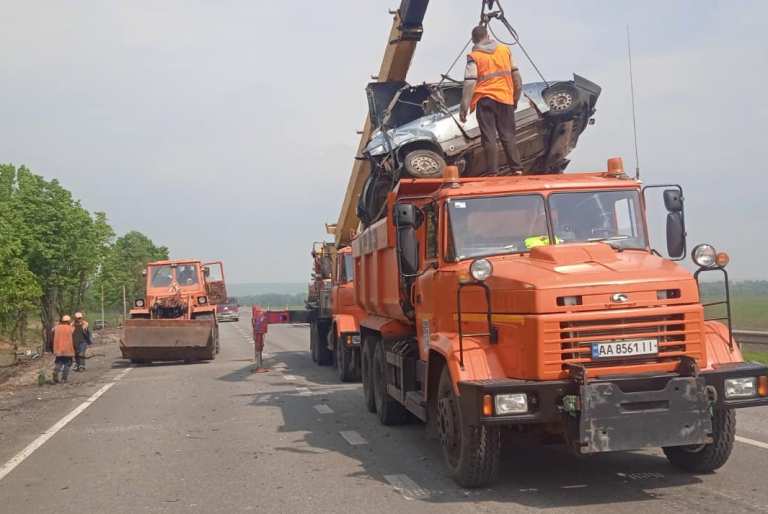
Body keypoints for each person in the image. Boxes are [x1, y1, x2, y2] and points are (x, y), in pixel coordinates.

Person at [460, 24, 523, 175]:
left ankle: (493, 172)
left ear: (474, 41)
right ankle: (517, 169)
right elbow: (517, 76)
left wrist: (464, 108)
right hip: (505, 98)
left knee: (489, 137)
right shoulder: (504, 50)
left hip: (485, 99)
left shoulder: (474, 56)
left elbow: (470, 82)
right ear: (487, 36)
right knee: (508, 134)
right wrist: (516, 97)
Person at [52, 315, 75, 383]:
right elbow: (74, 339)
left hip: (58, 349)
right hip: (68, 349)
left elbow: (52, 335)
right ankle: (64, 379)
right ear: (68, 321)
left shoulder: (56, 328)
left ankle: (56, 371)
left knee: (59, 362)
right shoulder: (71, 328)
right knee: (67, 363)